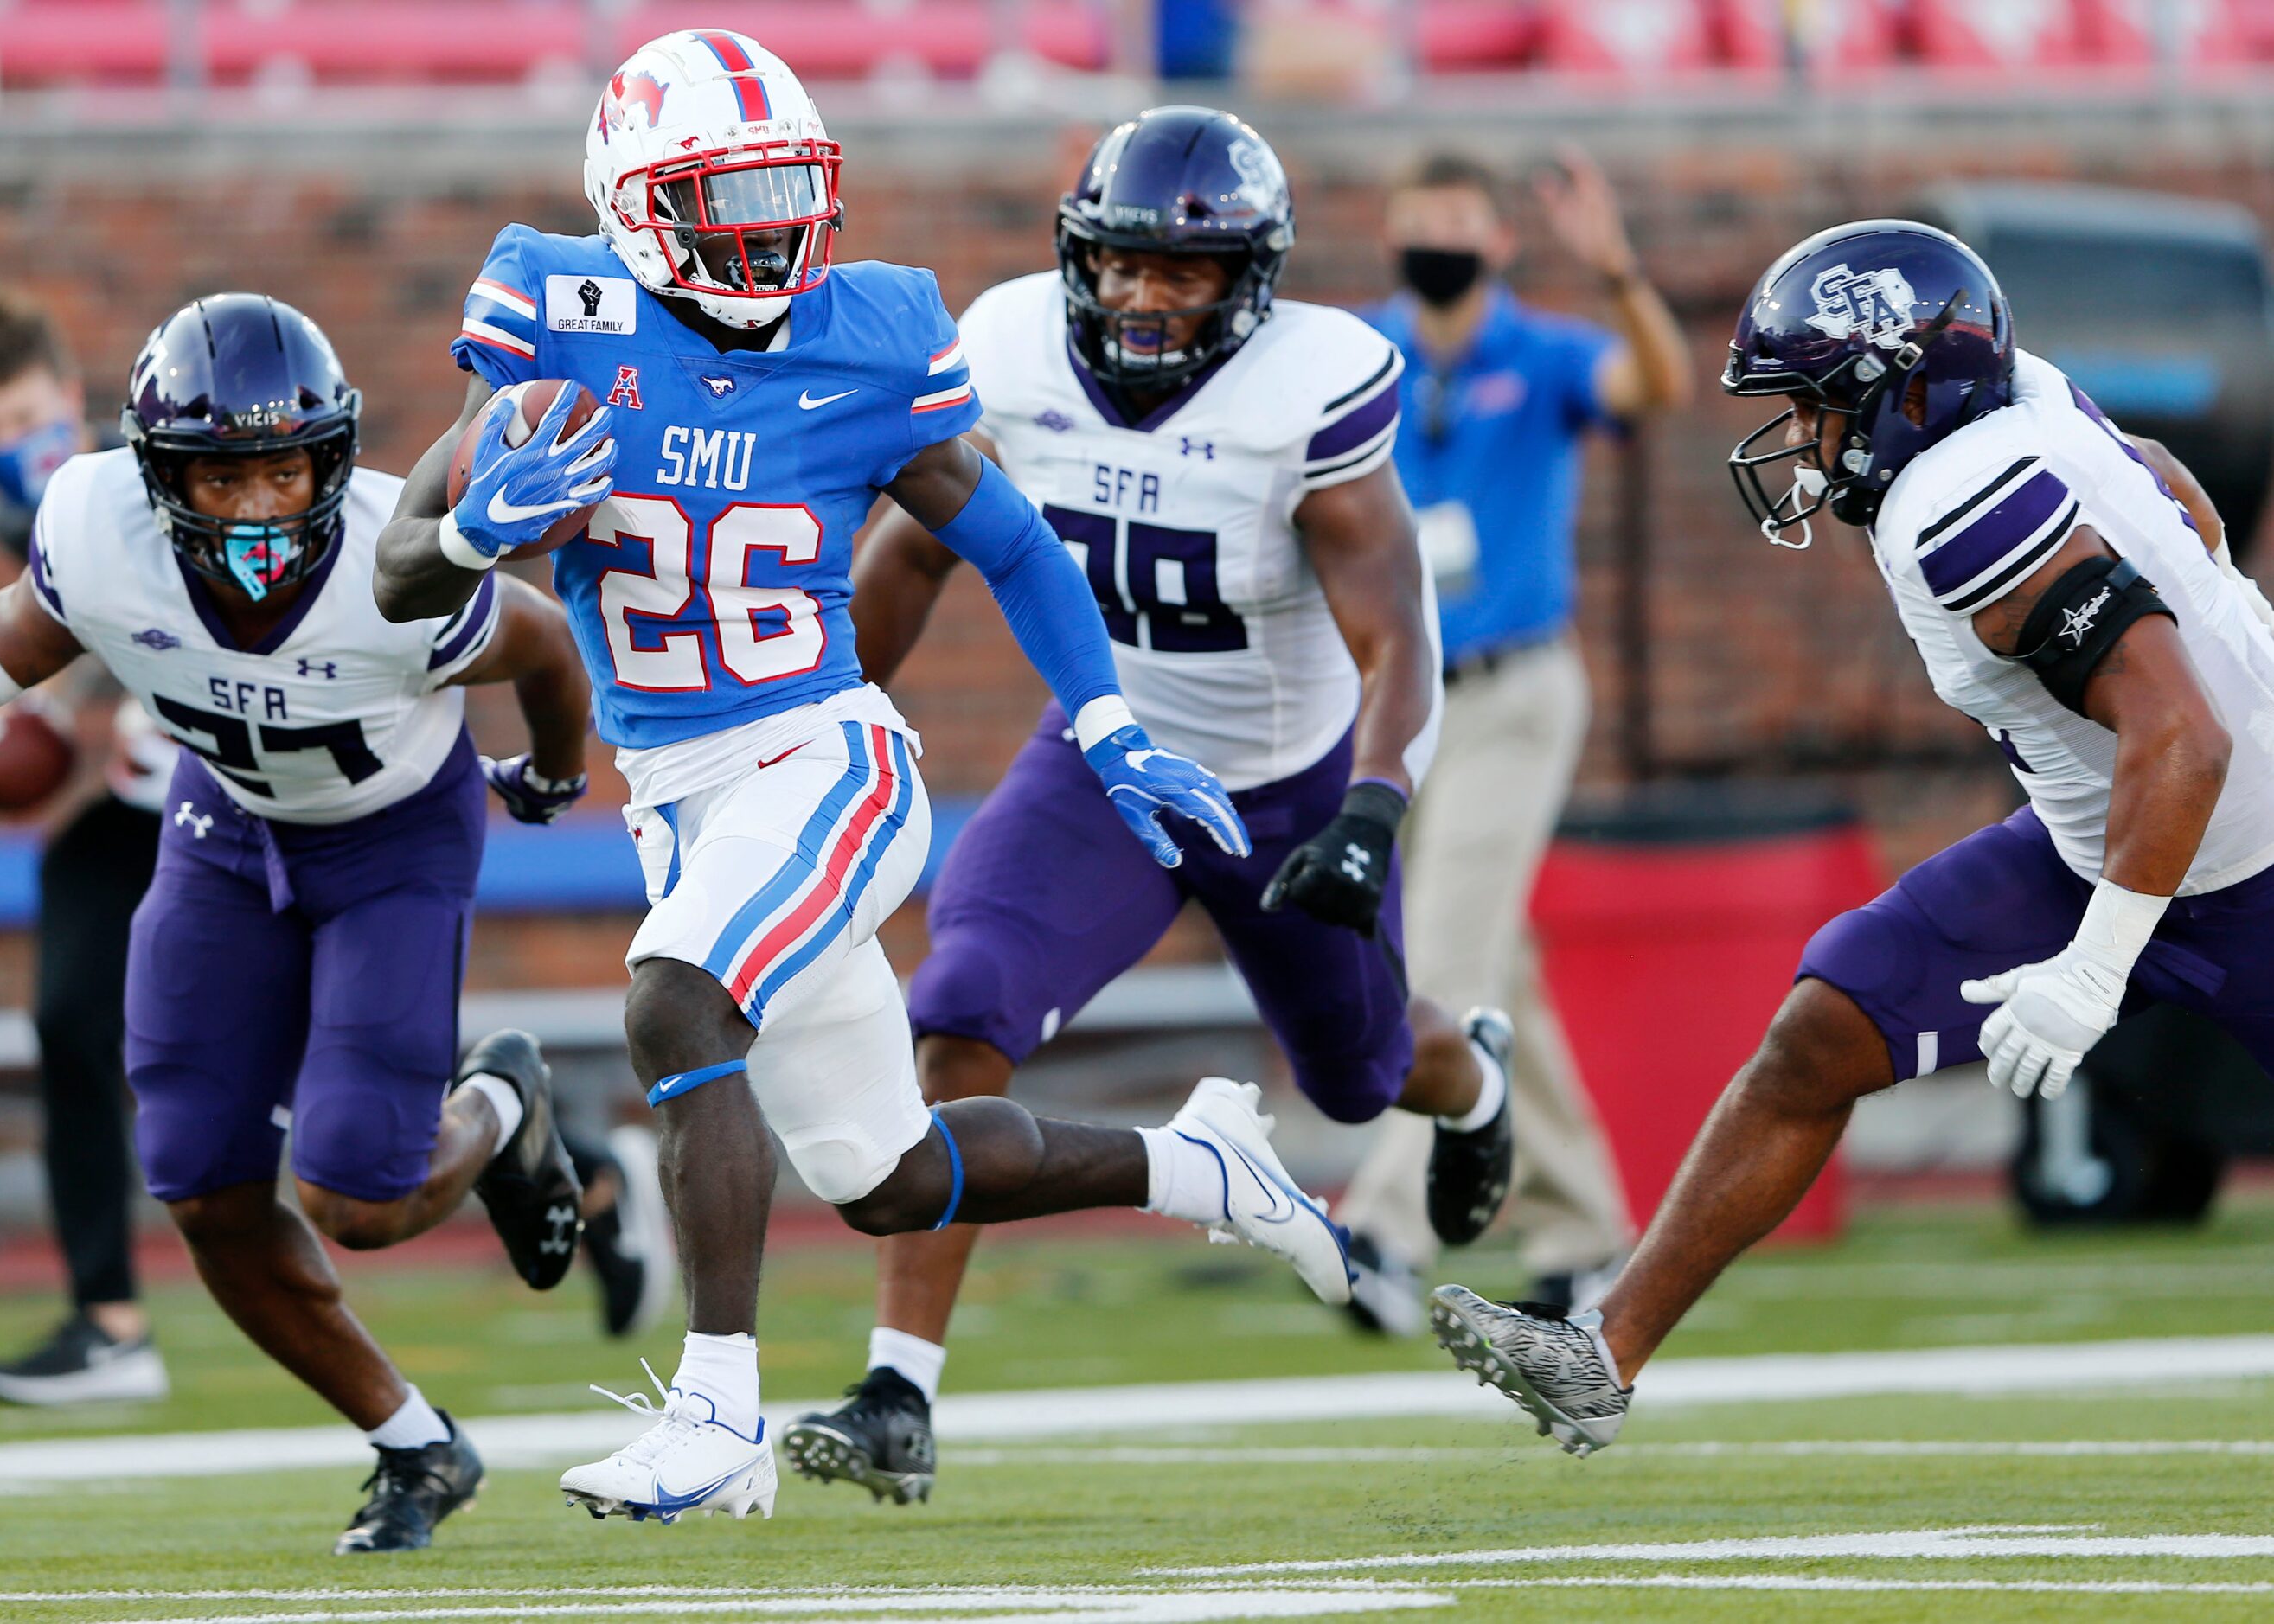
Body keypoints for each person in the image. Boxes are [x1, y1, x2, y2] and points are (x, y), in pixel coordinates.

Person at [373, 30, 1352, 1528]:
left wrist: (1103, 722)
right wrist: (460, 532)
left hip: (826, 753)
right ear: (633, 203)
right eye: (725, 192)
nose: (766, 226)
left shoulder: (877, 330)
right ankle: (1202, 1163)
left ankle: (718, 1412)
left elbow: (1013, 542)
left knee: (673, 993)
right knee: (883, 1171)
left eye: (786, 188)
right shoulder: (556, 315)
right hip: (678, 786)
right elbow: (394, 574)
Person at [1431, 221, 2274, 1455]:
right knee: (1822, 1028)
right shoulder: (2019, 396)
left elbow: (2184, 740)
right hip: (2104, 837)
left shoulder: (1959, 501)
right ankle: (1599, 1348)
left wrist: (2093, 968)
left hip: (2241, 856)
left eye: (1817, 403)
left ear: (1899, 393)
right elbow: (2160, 476)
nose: (1799, 439)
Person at [777, 105, 1514, 1508]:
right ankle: (897, 1390)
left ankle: (1471, 1079)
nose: (1137, 296)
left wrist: (1368, 805)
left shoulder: (1314, 384)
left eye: (1177, 273)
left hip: (1289, 776)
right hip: (1107, 760)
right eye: (1115, 265)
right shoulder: (1003, 350)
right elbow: (906, 559)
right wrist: (802, 733)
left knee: (1360, 1075)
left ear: (1250, 281)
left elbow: (1393, 635)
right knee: (961, 1008)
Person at [0, 293, 603, 1554]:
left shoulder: (401, 554)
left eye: (287, 467)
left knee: (357, 1197)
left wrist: (552, 774)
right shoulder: (98, 527)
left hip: (393, 835)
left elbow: (547, 645)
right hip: (224, 826)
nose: (263, 504)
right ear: (162, 475)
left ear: (332, 456)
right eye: (222, 477)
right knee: (202, 1180)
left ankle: (501, 1102)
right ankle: (412, 1444)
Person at [1335, 146, 1693, 1330]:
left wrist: (1620, 275)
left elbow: (1659, 384)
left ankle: (1380, 1231)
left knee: (1434, 951)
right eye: (1416, 218)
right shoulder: (1357, 354)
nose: (1436, 236)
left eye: (1457, 220)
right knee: (1493, 970)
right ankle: (1587, 1233)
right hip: (1395, 693)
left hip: (1513, 687)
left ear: (1498, 241)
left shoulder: (1540, 350)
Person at [0, 285, 176, 1406]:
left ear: (68, 401)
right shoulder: (14, 519)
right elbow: (88, 632)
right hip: (154, 789)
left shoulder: (153, 469)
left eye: (16, 419)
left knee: (341, 1065)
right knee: (68, 1008)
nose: (1, 449)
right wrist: (13, 715)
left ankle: (569, 1163)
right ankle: (108, 1321)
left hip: (275, 787)